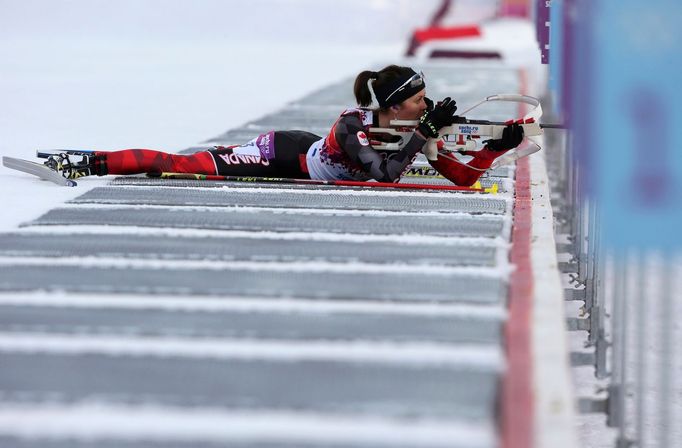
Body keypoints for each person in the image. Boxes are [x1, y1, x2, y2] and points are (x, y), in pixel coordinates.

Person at [48, 65, 524, 186]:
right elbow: (384, 173)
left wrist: (497, 147)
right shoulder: (350, 127)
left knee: (185, 165)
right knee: (186, 165)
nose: (425, 107)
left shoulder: (407, 129)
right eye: (419, 101)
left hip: (306, 160)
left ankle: (90, 160)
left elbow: (462, 178)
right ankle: (86, 161)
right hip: (282, 153)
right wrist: (426, 135)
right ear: (397, 106)